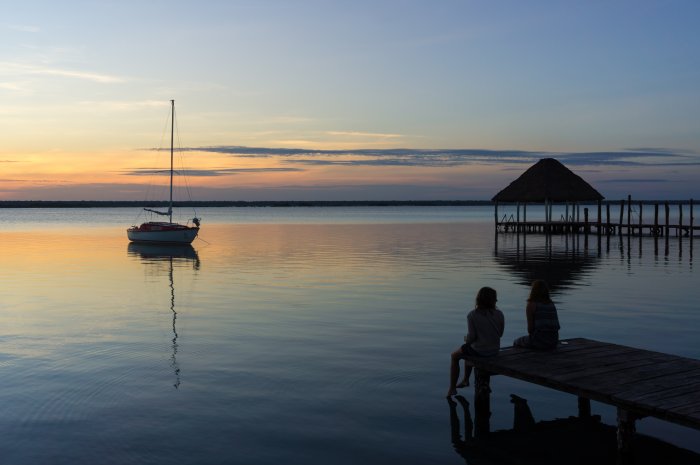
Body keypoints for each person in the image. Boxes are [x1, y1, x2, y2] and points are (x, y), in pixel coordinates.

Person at [447, 287, 505, 397]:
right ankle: (465, 380)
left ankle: (452, 388)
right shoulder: (499, 314)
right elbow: (500, 334)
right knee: (466, 349)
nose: (496, 300)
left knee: (455, 355)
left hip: (481, 351)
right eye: (495, 298)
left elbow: (472, 338)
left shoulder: (472, 315)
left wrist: (466, 338)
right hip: (494, 350)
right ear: (492, 300)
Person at [513, 280, 560, 350]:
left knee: (516, 341)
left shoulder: (531, 304)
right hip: (554, 341)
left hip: (539, 342)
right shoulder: (551, 304)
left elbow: (530, 329)